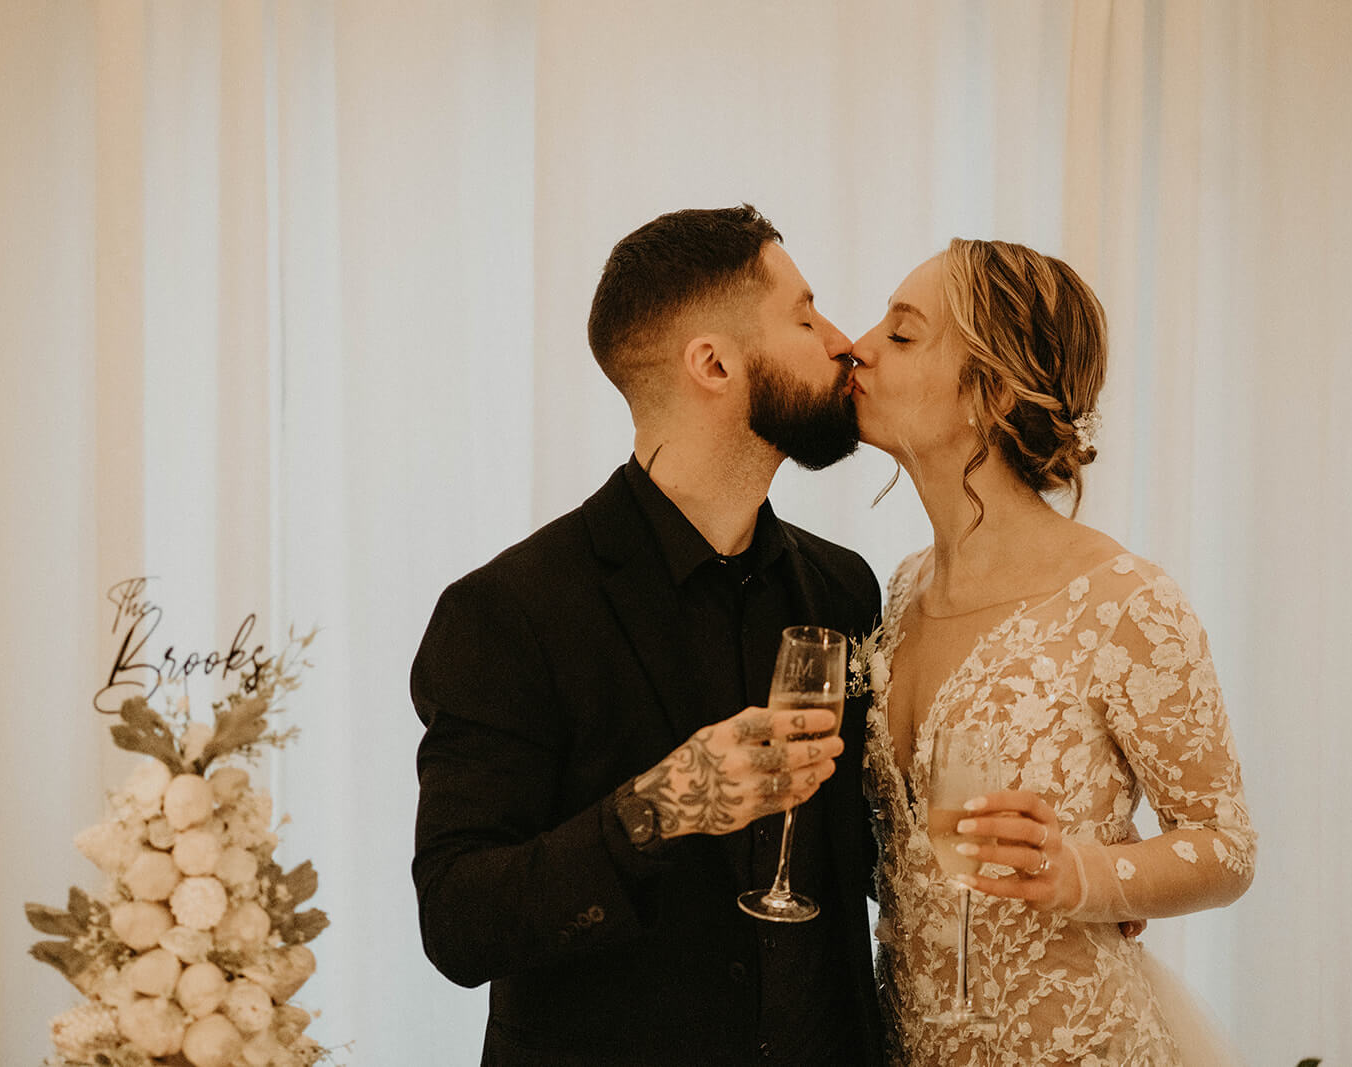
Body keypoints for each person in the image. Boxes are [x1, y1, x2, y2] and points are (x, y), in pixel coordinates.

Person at [411, 205, 885, 1065]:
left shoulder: (845, 586)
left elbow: (869, 851)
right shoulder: (507, 610)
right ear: (714, 362)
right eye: (807, 316)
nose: (844, 341)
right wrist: (654, 807)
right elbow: (457, 921)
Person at [847, 239, 1257, 1064]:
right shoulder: (899, 590)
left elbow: (1226, 843)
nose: (856, 347)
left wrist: (1086, 874)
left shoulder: (1125, 602)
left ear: (990, 391)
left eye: (901, 333)